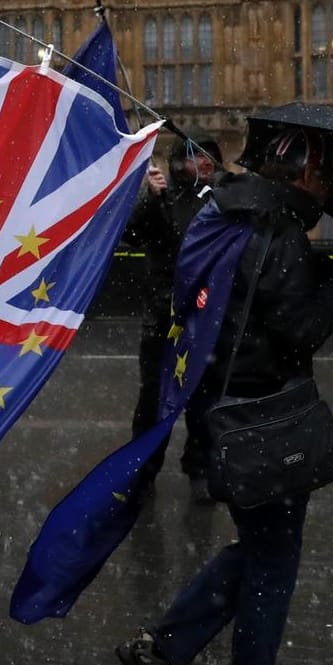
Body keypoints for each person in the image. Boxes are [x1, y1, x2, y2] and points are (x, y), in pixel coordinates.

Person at [115, 128, 333, 665]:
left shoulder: (227, 210)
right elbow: (298, 331)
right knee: (272, 560)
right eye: (323, 174)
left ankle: (163, 648)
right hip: (264, 414)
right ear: (301, 172)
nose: (327, 187)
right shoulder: (277, 232)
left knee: (258, 548)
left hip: (224, 402)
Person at [124, 135, 225, 503]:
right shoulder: (162, 199)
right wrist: (150, 199)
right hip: (164, 317)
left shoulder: (221, 202)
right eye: (197, 158)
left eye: (210, 158)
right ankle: (144, 470)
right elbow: (131, 235)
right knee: (153, 401)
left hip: (208, 317)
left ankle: (198, 469)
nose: (205, 164)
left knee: (203, 401)